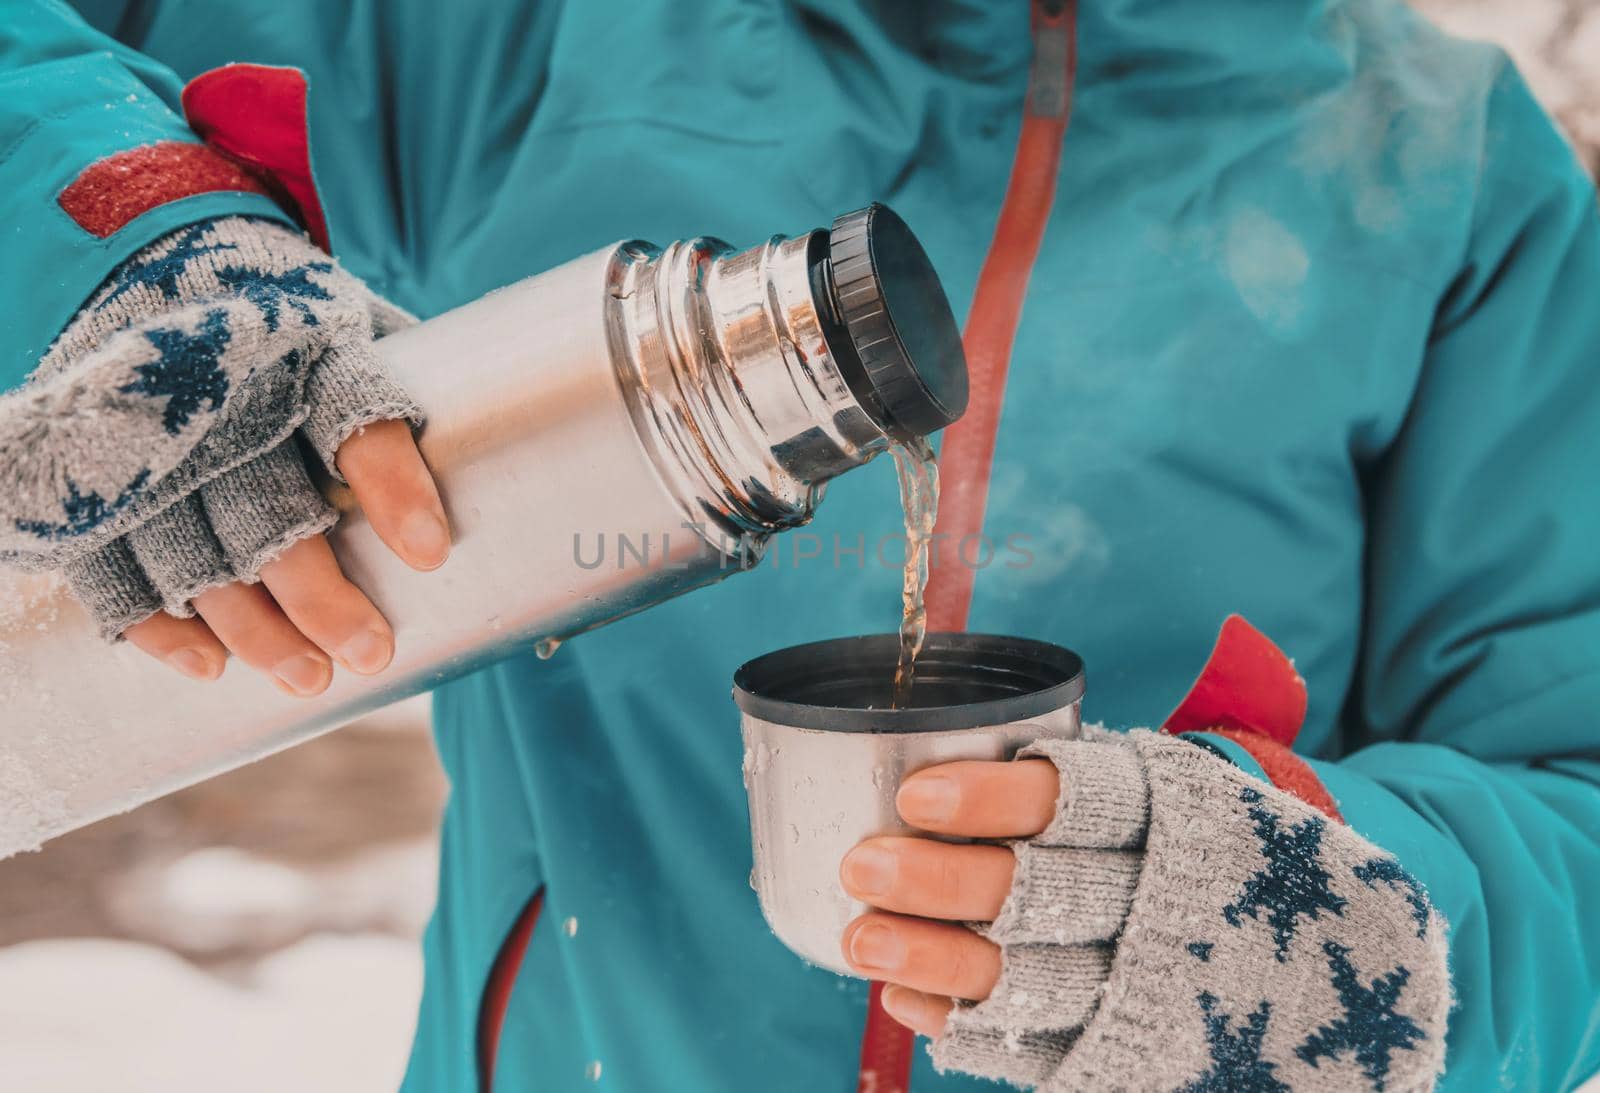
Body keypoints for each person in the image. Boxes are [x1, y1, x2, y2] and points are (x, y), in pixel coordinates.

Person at [3, 1, 1598, 1089]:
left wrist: (1355, 911)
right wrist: (132, 238)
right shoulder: (510, 38)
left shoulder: (1446, 164)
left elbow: (1576, 791)